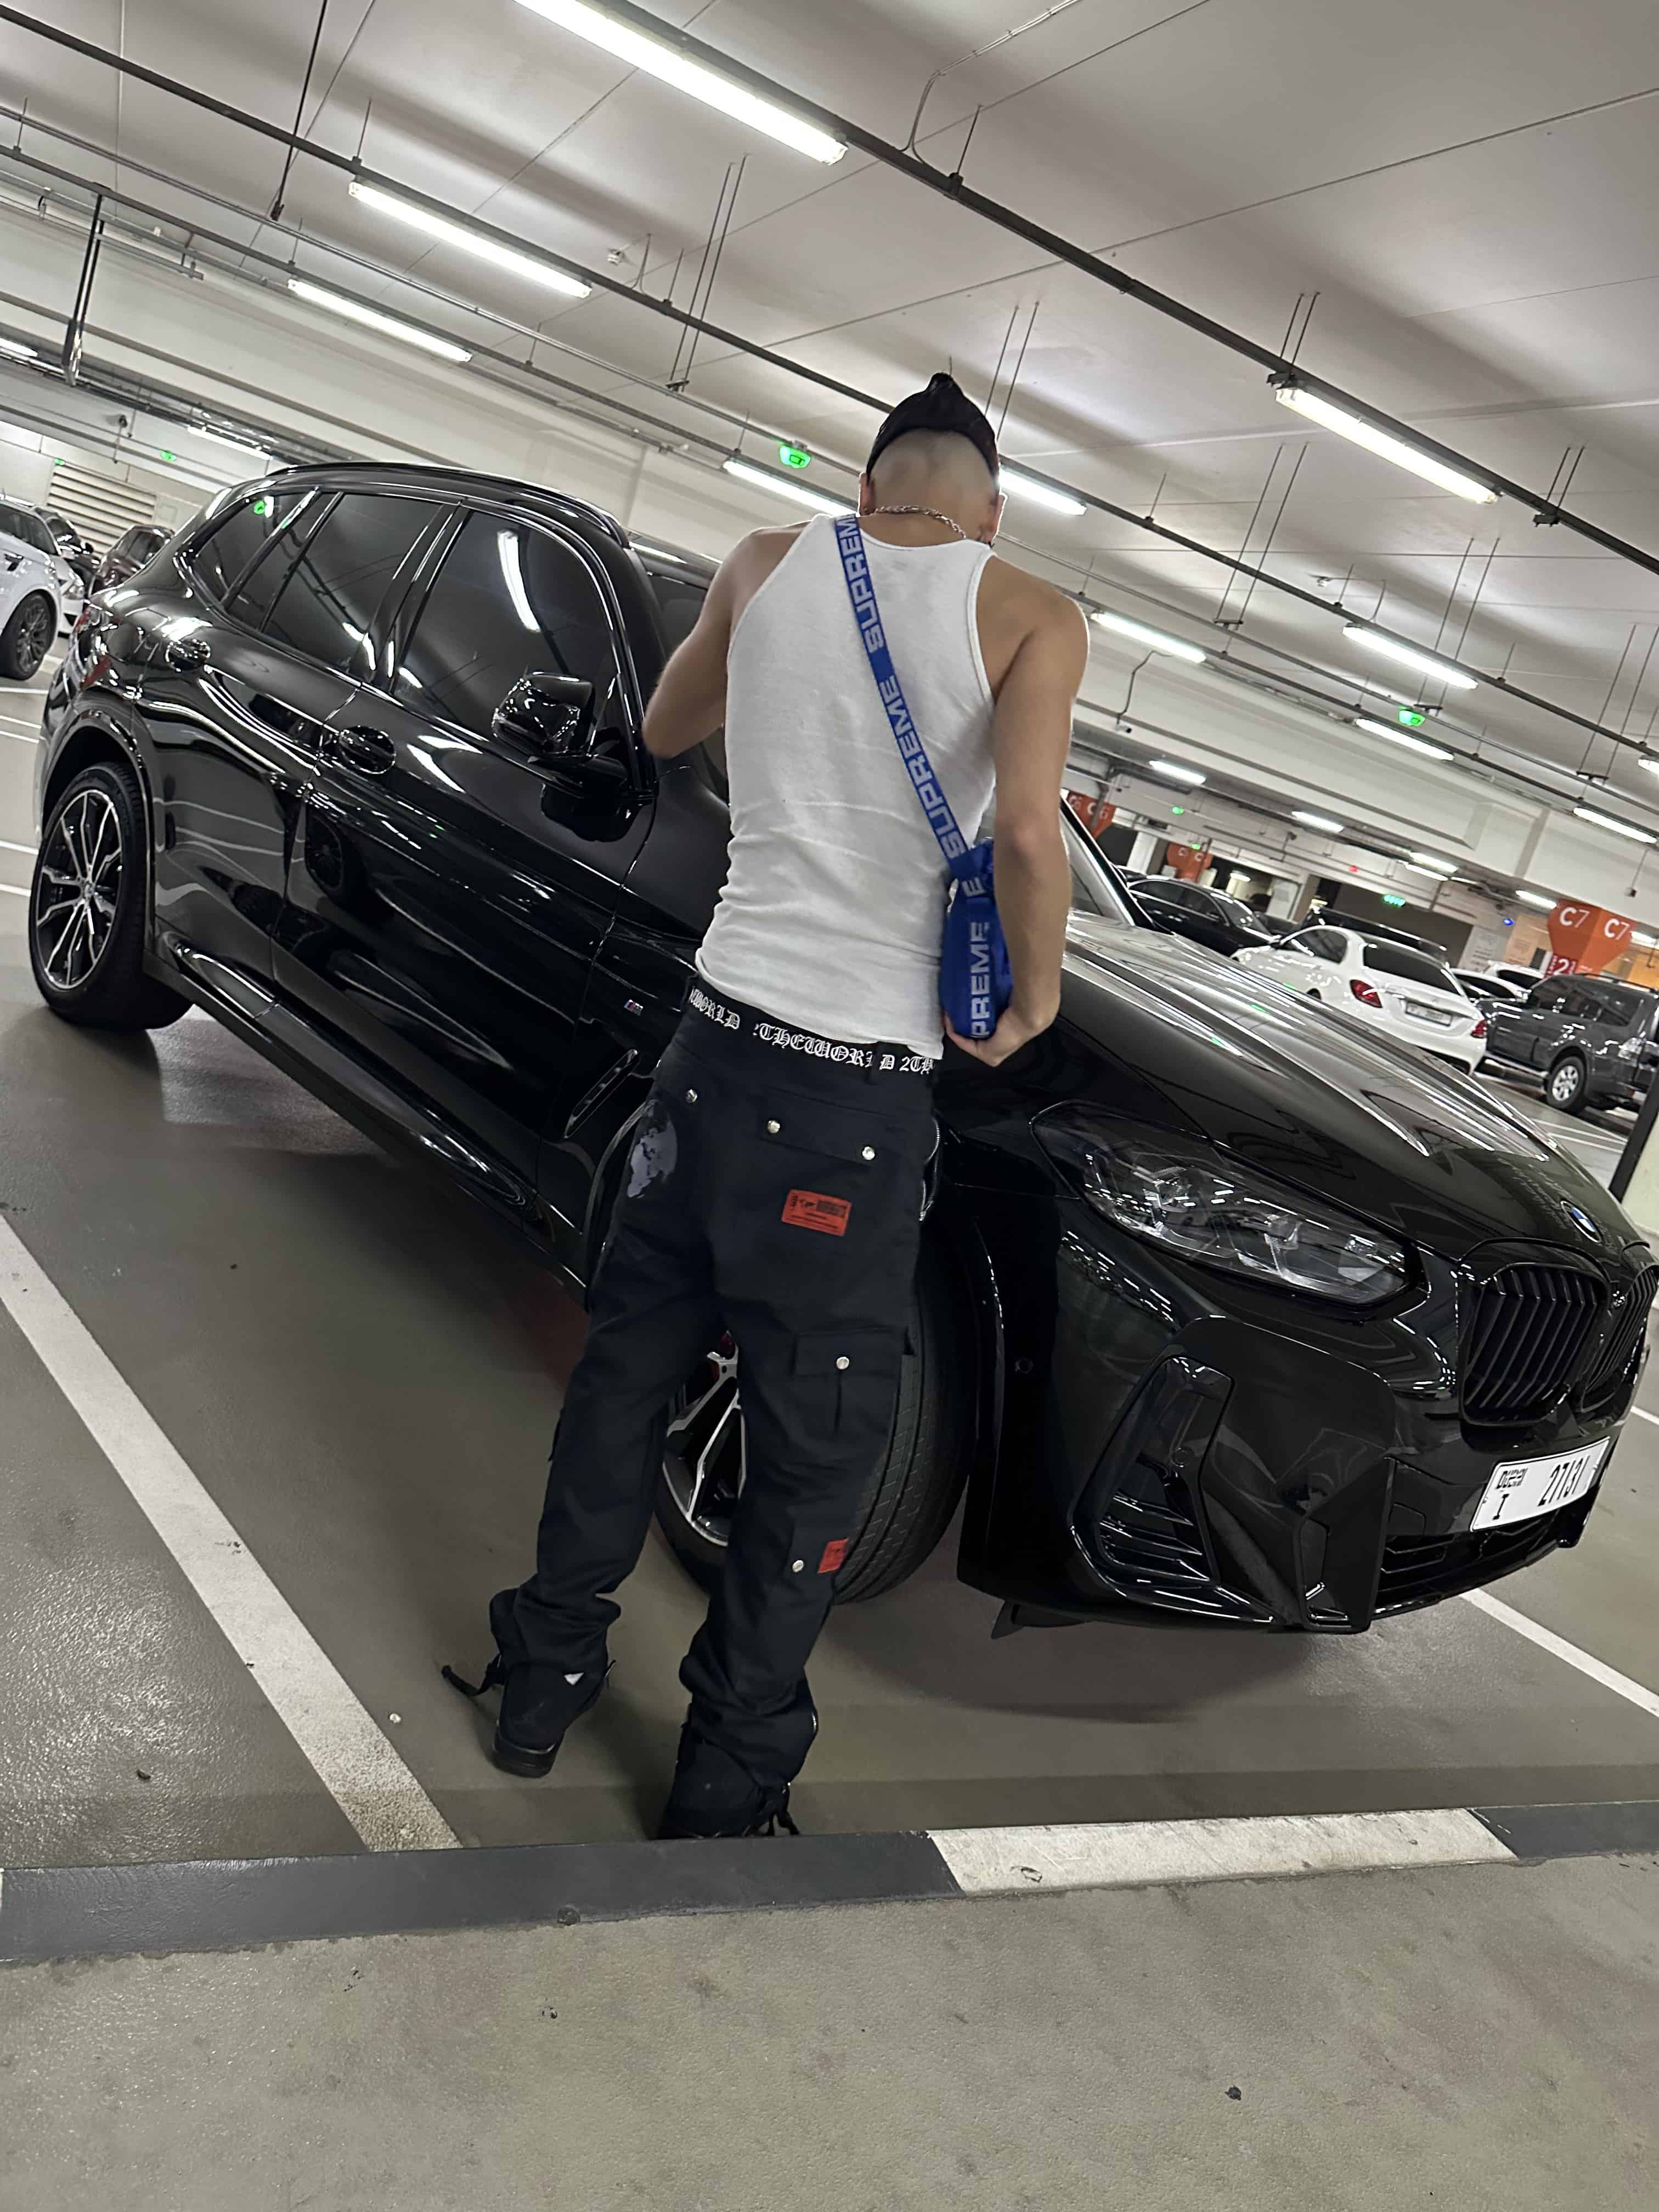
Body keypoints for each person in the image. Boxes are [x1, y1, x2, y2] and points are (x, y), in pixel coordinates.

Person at [456, 372, 1089, 1837]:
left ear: (868, 486)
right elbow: (1026, 832)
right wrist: (1038, 996)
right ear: (992, 512)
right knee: (813, 1456)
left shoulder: (763, 563)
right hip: (854, 1105)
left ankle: (540, 1685)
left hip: (711, 1060)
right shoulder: (1032, 614)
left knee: (624, 1379)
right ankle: (725, 1778)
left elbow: (669, 724)